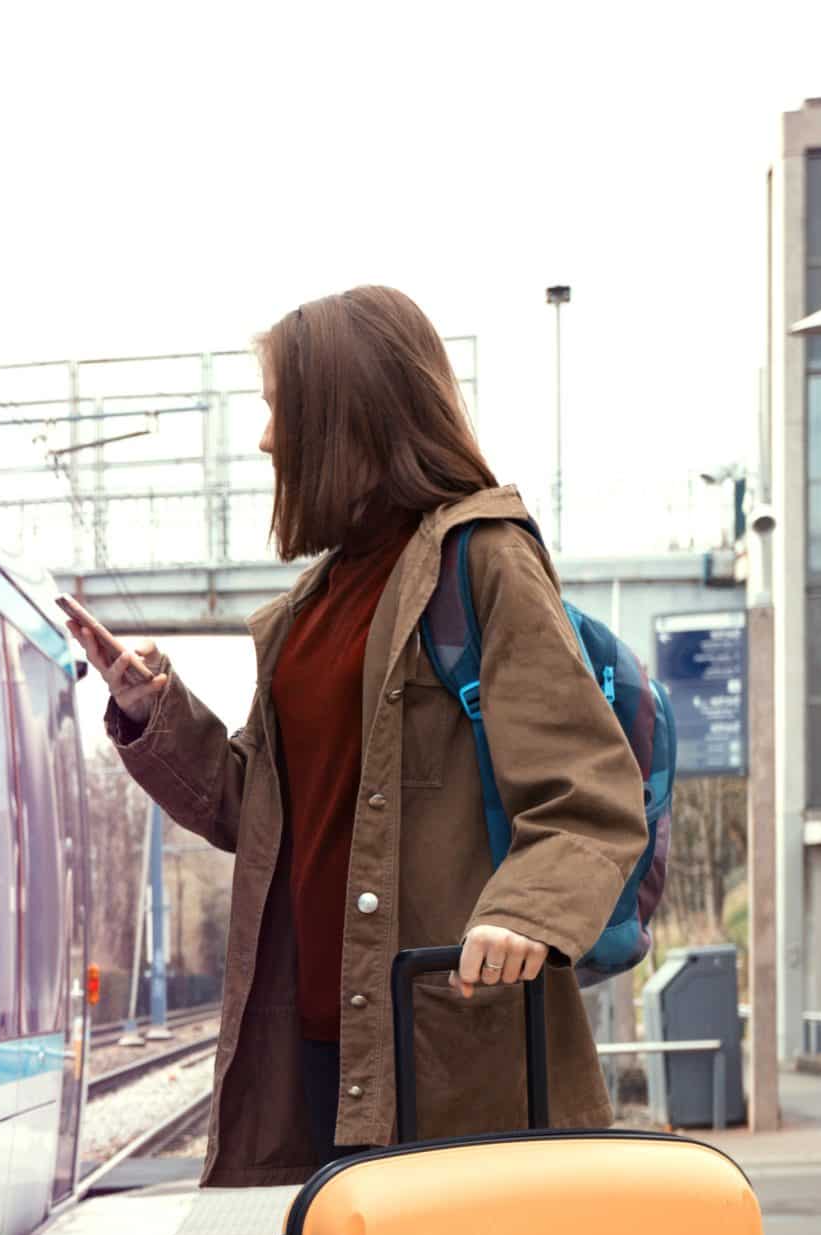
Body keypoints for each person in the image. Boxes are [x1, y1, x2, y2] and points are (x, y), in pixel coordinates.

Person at [67, 287, 648, 1185]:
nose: (265, 440)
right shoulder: (310, 607)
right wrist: (153, 711)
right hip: (312, 1045)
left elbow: (588, 793)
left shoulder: (481, 558)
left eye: (279, 410)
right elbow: (261, 813)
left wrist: (523, 915)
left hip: (447, 1042)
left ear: (344, 416)